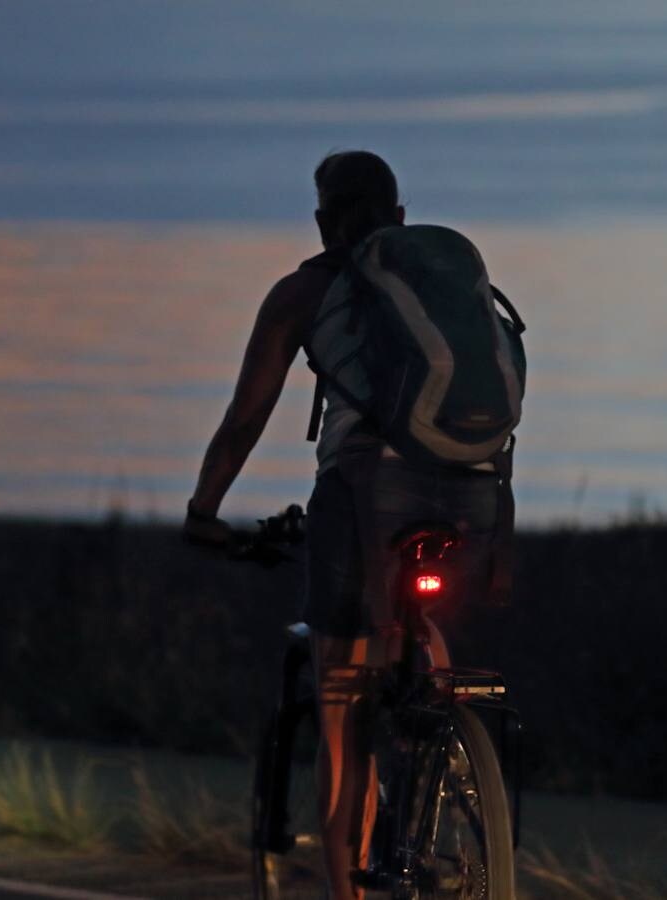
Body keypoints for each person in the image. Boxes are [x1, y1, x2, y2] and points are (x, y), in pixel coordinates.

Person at [185, 151, 512, 900]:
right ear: (399, 219)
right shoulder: (444, 286)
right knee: (416, 629)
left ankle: (349, 890)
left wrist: (204, 513)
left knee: (342, 699)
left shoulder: (303, 291)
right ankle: (439, 721)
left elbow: (244, 422)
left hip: (367, 497)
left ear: (323, 223)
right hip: (477, 490)